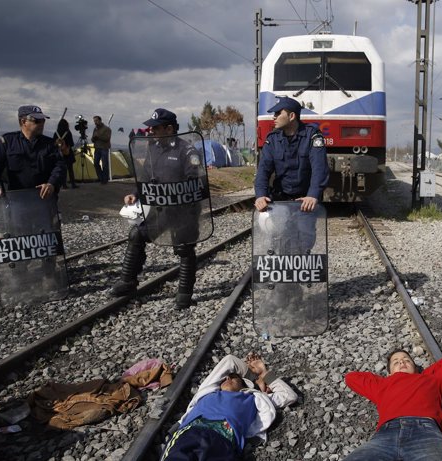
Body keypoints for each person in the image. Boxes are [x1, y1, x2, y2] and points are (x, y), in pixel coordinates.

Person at [110, 108, 203, 310]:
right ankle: (127, 281)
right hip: (160, 211)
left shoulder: (187, 151)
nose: (150, 132)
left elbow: (195, 181)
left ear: (169, 128)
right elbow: (145, 177)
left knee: (184, 249)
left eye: (155, 128)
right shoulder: (153, 149)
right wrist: (135, 193)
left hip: (184, 212)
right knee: (137, 235)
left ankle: (185, 293)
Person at [160, 353, 298, 461]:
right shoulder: (209, 391)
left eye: (232, 377)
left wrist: (264, 372)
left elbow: (289, 395)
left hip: (224, 441)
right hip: (192, 431)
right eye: (226, 378)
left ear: (245, 385)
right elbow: (230, 360)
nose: (226, 379)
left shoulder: (254, 399)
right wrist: (255, 378)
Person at [343, 350, 442, 461]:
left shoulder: (432, 380)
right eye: (396, 362)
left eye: (407, 360)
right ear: (389, 373)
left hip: (425, 431)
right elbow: (351, 377)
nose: (402, 362)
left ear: (415, 367)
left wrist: (421, 375)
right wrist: (385, 379)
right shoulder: (382, 385)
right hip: (386, 435)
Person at [254, 97, 329, 213]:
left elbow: (319, 167)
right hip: (279, 201)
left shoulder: (312, 136)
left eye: (278, 113)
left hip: (305, 201)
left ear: (292, 116)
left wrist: (313, 195)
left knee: (305, 230)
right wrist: (260, 195)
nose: (274, 117)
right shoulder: (272, 139)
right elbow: (263, 169)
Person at [0, 105, 66, 200]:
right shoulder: (7, 142)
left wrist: (51, 183)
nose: (42, 124)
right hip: (17, 200)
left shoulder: (50, 145)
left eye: (43, 120)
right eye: (37, 121)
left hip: (44, 200)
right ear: (23, 122)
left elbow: (60, 166)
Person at [53, 118, 78, 188]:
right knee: (70, 169)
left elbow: (53, 143)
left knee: (62, 170)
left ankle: (64, 185)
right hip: (68, 153)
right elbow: (71, 143)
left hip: (60, 153)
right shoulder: (68, 132)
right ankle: (73, 184)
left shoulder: (56, 133)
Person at [91, 115, 112, 184]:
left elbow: (107, 138)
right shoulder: (95, 129)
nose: (95, 122)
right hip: (97, 148)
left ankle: (105, 180)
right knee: (96, 163)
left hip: (104, 148)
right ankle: (101, 177)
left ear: (100, 120)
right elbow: (93, 138)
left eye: (96, 121)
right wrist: (93, 138)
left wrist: (98, 137)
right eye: (94, 121)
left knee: (105, 164)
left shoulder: (107, 129)